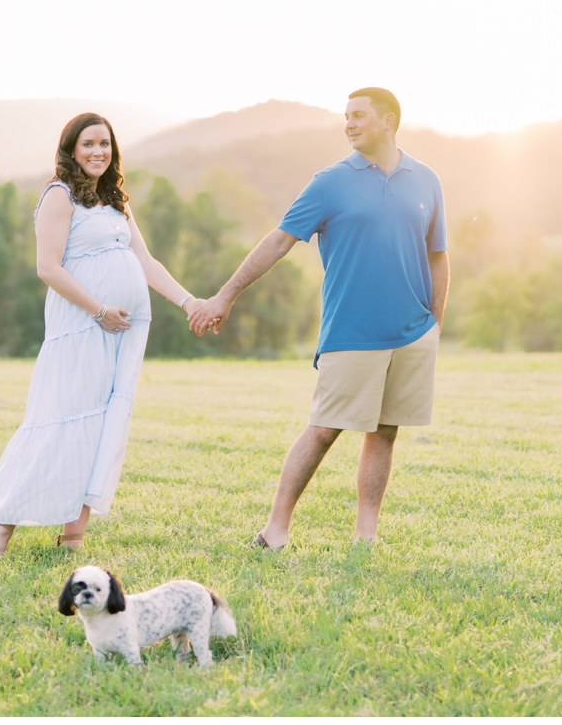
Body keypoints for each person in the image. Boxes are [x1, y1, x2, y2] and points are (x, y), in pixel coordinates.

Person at [190, 87, 448, 549]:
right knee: (325, 429)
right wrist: (225, 295)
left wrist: (436, 323)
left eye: (358, 116)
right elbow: (278, 241)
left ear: (388, 121)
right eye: (345, 117)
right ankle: (275, 530)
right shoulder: (329, 182)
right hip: (351, 331)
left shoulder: (426, 180)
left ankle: (365, 536)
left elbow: (438, 256)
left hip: (412, 333)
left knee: (385, 432)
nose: (348, 124)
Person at [0, 113, 203, 556]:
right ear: (71, 150)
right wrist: (98, 310)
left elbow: (147, 264)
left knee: (101, 425)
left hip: (124, 331)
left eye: (105, 144)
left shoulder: (116, 200)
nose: (98, 152)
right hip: (81, 326)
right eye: (89, 144)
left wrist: (189, 302)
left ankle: (73, 533)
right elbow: (48, 268)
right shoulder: (59, 196)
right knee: (60, 420)